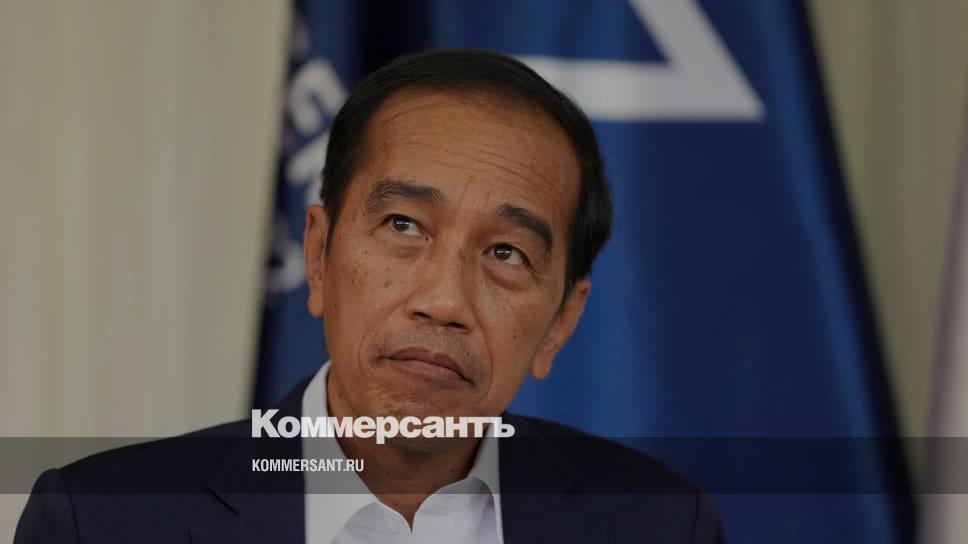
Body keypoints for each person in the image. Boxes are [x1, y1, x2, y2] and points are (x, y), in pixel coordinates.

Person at [16, 49, 725, 543]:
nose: (444, 301)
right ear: (318, 255)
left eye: (506, 253)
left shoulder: (661, 524)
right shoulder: (104, 522)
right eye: (403, 225)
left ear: (561, 321)